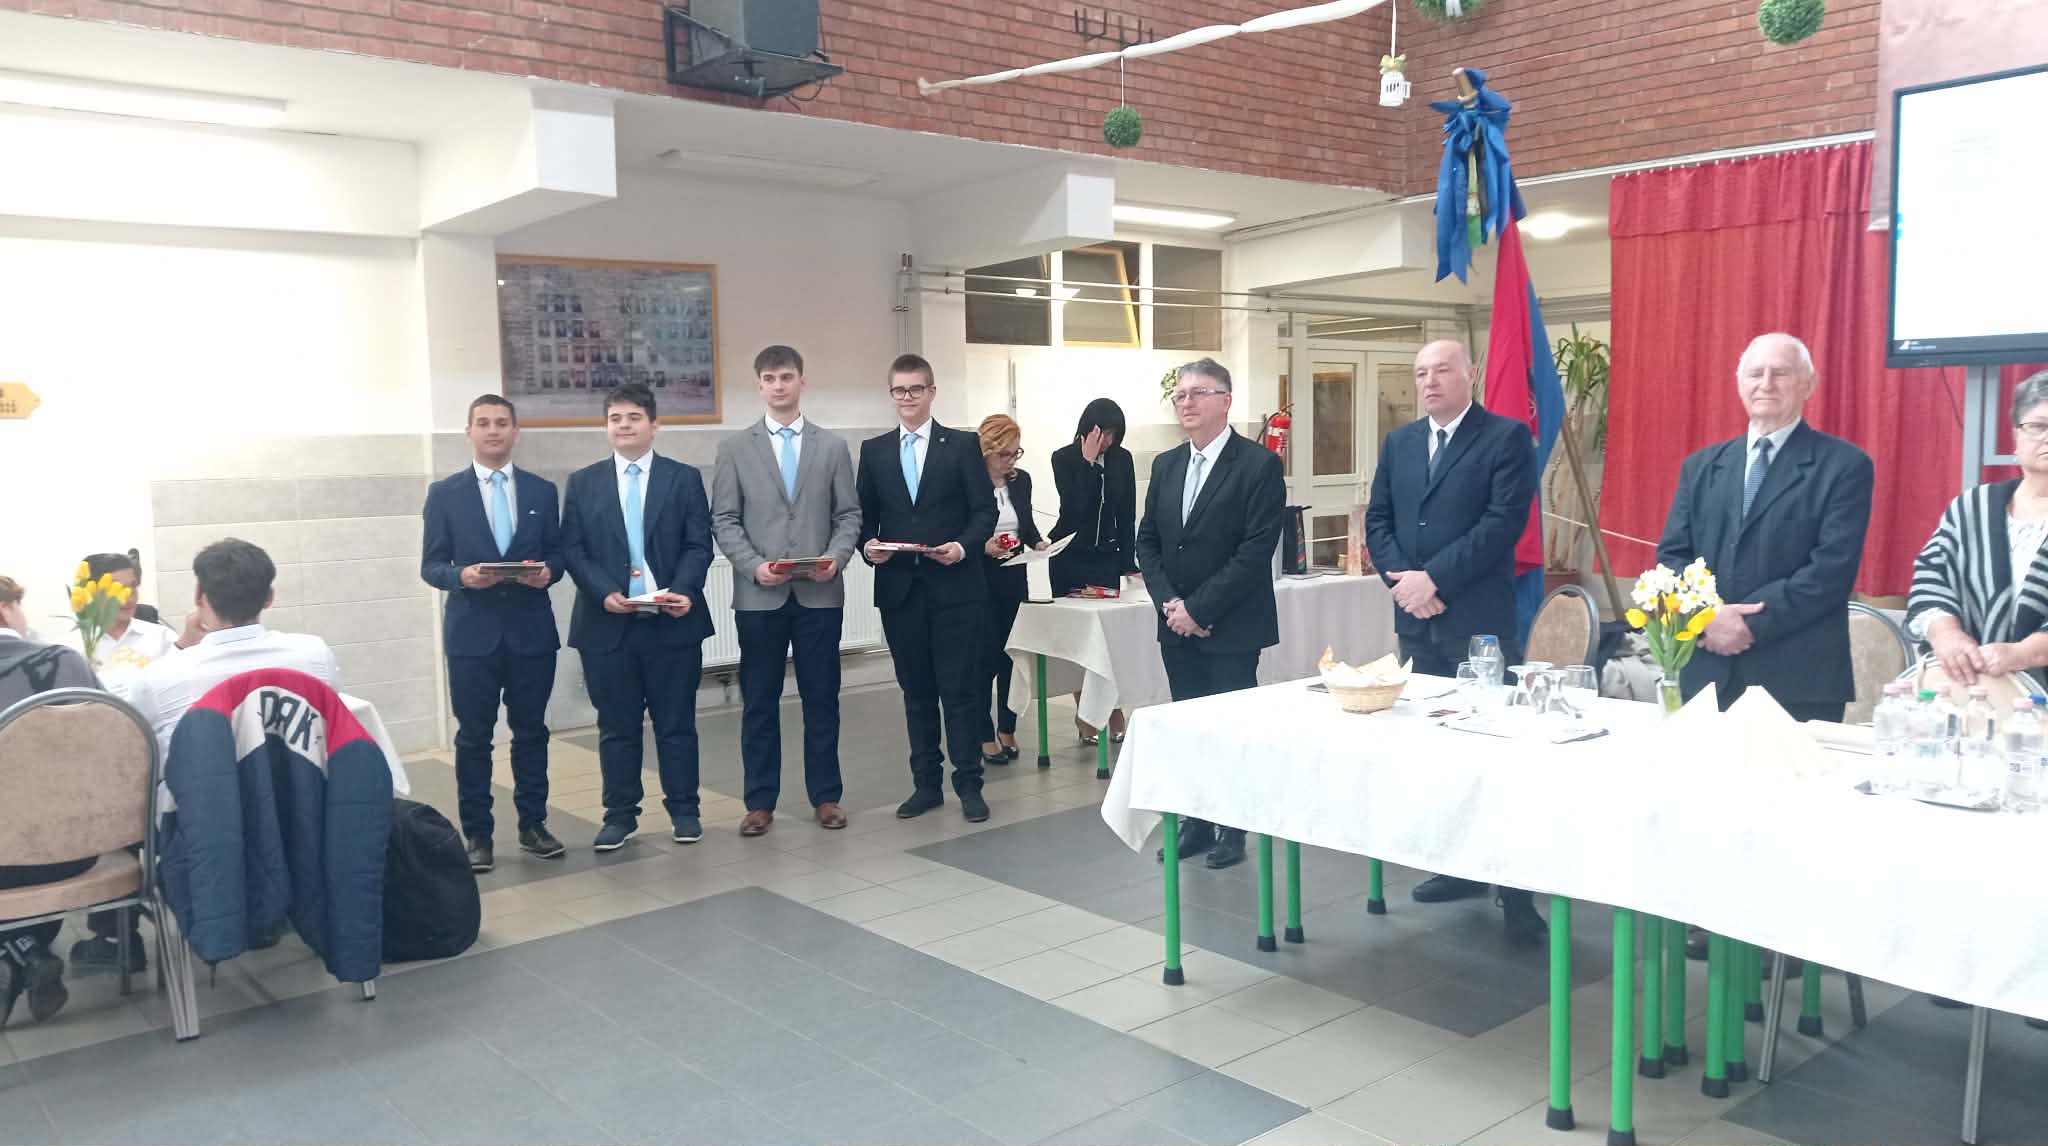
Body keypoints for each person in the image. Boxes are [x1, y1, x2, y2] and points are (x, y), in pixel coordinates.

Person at [1658, 333, 1873, 961]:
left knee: (1788, 819)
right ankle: (1711, 917)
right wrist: (1706, 618)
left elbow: (1830, 570)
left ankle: (1787, 943)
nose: (1766, 384)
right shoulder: (1703, 466)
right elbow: (1673, 556)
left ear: (1808, 385)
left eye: (1781, 373)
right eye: (1755, 373)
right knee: (1711, 808)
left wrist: (1750, 624)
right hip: (1709, 669)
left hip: (1794, 669)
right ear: (1738, 382)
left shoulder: (1842, 465)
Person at [1364, 339, 1546, 945]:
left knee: (1493, 759)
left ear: (1471, 373)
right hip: (1418, 623)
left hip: (1478, 623)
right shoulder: (1401, 442)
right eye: (1421, 372)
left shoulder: (1505, 437)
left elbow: (1502, 524)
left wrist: (1433, 579)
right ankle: (1456, 865)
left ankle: (1516, 891)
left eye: (1442, 369)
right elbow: (1379, 519)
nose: (1430, 381)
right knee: (1436, 755)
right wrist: (1405, 584)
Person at [118, 539, 341, 972]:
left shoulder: (162, 676)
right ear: (269, 597)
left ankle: (117, 938)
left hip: (206, 828)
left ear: (200, 596)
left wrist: (183, 645)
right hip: (303, 811)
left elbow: (137, 748)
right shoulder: (314, 654)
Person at [1135, 358, 1285, 871]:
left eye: (1199, 393)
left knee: (1230, 732)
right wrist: (1171, 606)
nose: (1187, 403)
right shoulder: (1166, 465)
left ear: (1226, 400)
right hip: (1176, 626)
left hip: (1232, 625)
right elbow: (1148, 542)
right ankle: (1196, 821)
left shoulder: (1258, 465)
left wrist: (1199, 608)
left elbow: (1255, 550)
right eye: (1180, 395)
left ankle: (1232, 828)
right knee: (1189, 729)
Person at [711, 345, 861, 838]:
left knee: (822, 697)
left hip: (820, 594)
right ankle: (759, 802)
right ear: (759, 385)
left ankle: (827, 796)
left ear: (802, 381)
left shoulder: (832, 447)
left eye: (787, 377)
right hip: (761, 597)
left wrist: (835, 559)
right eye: (770, 378)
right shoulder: (735, 449)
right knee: (759, 701)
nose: (779, 386)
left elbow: (848, 515)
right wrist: (754, 568)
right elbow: (724, 519)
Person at [562, 382, 716, 851]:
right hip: (607, 624)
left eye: (633, 417)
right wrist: (604, 592)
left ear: (654, 425)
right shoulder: (583, 482)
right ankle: (620, 816)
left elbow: (698, 544)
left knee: (676, 724)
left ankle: (685, 811)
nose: (624, 426)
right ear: (606, 426)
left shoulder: (683, 479)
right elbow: (573, 549)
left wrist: (684, 590)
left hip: (671, 621)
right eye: (615, 418)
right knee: (616, 727)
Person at [419, 394, 567, 874]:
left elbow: (559, 555)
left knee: (531, 732)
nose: (493, 431)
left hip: (531, 634)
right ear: (469, 432)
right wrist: (461, 576)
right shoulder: (445, 494)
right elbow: (431, 565)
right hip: (471, 636)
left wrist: (548, 572)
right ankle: (478, 835)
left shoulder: (542, 492)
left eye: (502, 423)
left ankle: (533, 825)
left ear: (515, 432)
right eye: (483, 423)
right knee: (473, 738)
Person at [857, 353, 998, 823]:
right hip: (900, 592)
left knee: (959, 691)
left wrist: (962, 547)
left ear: (932, 392)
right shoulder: (875, 451)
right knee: (915, 692)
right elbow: (863, 519)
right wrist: (868, 547)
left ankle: (969, 784)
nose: (908, 397)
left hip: (955, 589)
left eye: (916, 389)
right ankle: (926, 785)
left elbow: (985, 511)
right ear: (891, 394)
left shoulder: (962, 445)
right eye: (899, 390)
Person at [0, 575, 100, 1028]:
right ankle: (27, 950)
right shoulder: (65, 661)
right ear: (6, 609)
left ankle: (20, 953)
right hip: (75, 851)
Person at [1909, 369, 2048, 690]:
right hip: (1970, 688)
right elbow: (1931, 577)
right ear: (2015, 435)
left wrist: (2023, 653)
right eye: (2037, 426)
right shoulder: (1973, 506)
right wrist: (1947, 634)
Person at [1049, 397, 1139, 743]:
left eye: (1114, 435)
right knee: (1078, 642)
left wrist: (1128, 562)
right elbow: (1075, 509)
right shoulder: (1063, 458)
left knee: (1106, 641)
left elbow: (1126, 513)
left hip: (1106, 559)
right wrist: (1088, 464)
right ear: (1088, 429)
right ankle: (1087, 716)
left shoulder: (1122, 460)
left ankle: (1110, 712)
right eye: (1103, 434)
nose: (1108, 442)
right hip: (1069, 558)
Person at [974, 414, 1047, 765]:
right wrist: (982, 546)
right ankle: (983, 732)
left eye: (1016, 453)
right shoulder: (970, 481)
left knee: (1011, 654)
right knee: (984, 656)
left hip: (1014, 574)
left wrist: (1038, 542)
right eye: (1004, 454)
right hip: (980, 576)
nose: (1010, 461)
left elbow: (1025, 524)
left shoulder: (1021, 480)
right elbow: (960, 529)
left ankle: (1008, 727)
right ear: (986, 451)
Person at [78, 551, 176, 679]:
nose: (128, 599)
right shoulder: (75, 647)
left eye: (132, 587)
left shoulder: (163, 637)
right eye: (116, 589)